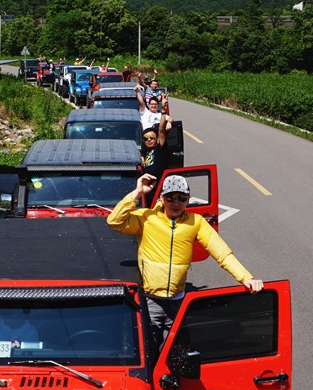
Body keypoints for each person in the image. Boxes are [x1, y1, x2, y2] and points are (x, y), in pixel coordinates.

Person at [107, 172, 263, 346]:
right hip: (150, 300)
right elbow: (115, 221)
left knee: (176, 352)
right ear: (161, 198)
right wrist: (137, 193)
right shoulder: (147, 218)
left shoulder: (196, 222)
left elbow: (222, 253)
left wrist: (246, 278)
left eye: (182, 198)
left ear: (188, 199)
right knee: (148, 351)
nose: (176, 203)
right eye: (170, 197)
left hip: (178, 301)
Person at [140, 113, 173, 205]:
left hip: (159, 193)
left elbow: (162, 130)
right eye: (146, 138)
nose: (149, 140)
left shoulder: (160, 149)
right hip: (146, 193)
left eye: (152, 137)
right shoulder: (144, 152)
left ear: (157, 139)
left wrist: (163, 112)